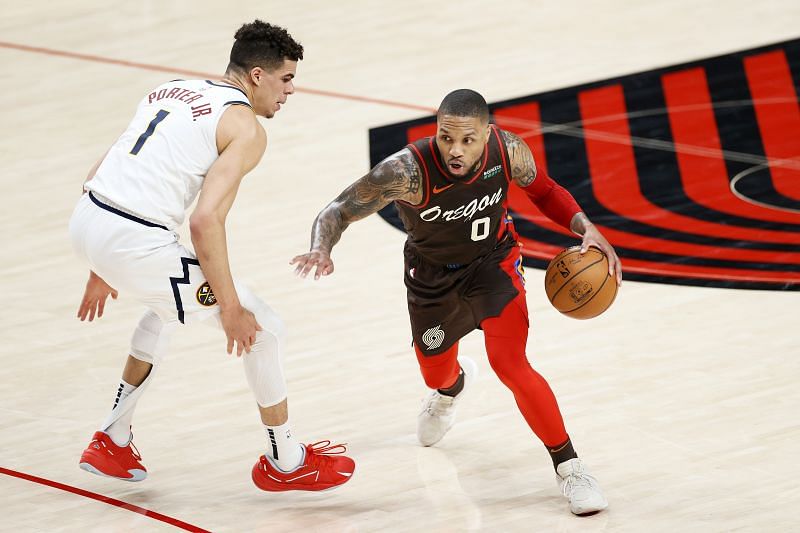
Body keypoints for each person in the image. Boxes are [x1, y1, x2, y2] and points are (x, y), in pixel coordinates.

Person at [291, 89, 622, 514]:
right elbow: (338, 209)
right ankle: (450, 390)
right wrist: (321, 248)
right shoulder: (406, 171)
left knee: (511, 364)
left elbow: (543, 189)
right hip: (431, 282)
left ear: (487, 133)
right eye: (447, 138)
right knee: (435, 372)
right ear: (437, 131)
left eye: (467, 140)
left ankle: (571, 467)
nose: (455, 150)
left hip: (494, 267)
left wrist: (585, 227)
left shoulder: (508, 151)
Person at [70, 20, 354, 492]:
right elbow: (205, 222)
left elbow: (107, 165)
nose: (290, 92)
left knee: (164, 308)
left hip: (88, 217)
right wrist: (230, 308)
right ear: (257, 75)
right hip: (132, 239)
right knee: (263, 331)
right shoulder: (245, 127)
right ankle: (286, 461)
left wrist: (100, 262)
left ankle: (113, 438)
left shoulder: (170, 89)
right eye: (286, 80)